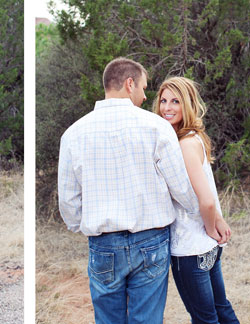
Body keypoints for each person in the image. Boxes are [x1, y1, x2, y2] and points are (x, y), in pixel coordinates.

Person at [57, 57, 199, 324]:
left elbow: (68, 200)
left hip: (103, 243)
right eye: (144, 88)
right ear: (129, 83)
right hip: (151, 241)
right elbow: (181, 187)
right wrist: (195, 210)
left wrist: (82, 226)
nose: (146, 96)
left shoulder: (73, 134)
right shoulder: (157, 127)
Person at [153, 76, 240, 323]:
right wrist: (216, 223)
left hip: (191, 249)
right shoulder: (193, 136)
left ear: (188, 104)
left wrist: (211, 228)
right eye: (163, 101)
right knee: (222, 310)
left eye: (175, 101)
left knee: (205, 319)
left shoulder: (185, 144)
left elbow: (207, 201)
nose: (167, 107)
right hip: (206, 247)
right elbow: (208, 190)